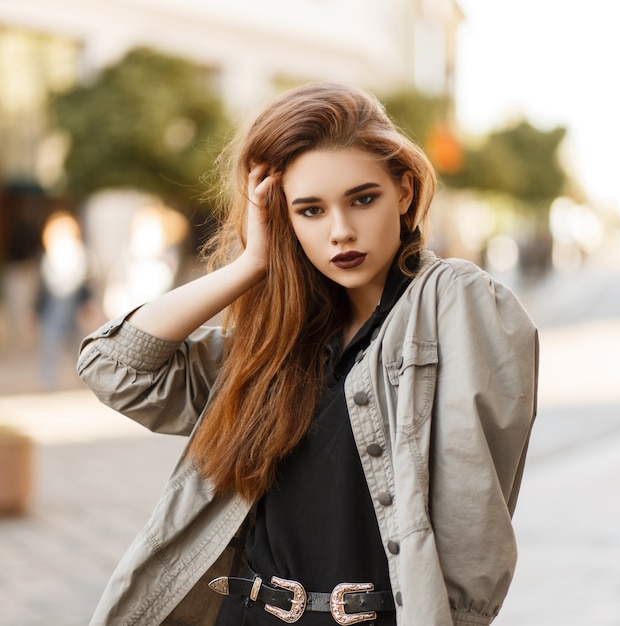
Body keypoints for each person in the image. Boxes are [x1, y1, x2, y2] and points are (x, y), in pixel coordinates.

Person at [78, 82, 539, 626]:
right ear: (282, 219)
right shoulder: (276, 341)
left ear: (406, 191)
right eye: (310, 210)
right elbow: (116, 369)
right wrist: (250, 264)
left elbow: (473, 522)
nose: (341, 232)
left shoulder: (455, 302)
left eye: (363, 199)